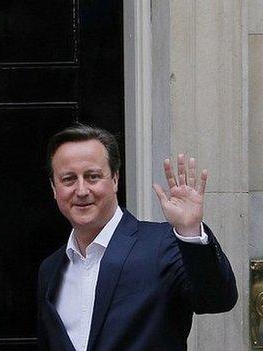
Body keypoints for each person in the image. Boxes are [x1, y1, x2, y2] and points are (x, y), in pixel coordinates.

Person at [37, 124, 237, 351]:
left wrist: (190, 231)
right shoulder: (50, 269)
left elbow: (217, 299)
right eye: (68, 179)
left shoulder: (164, 244)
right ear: (54, 188)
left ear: (115, 179)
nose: (81, 190)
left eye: (93, 177)